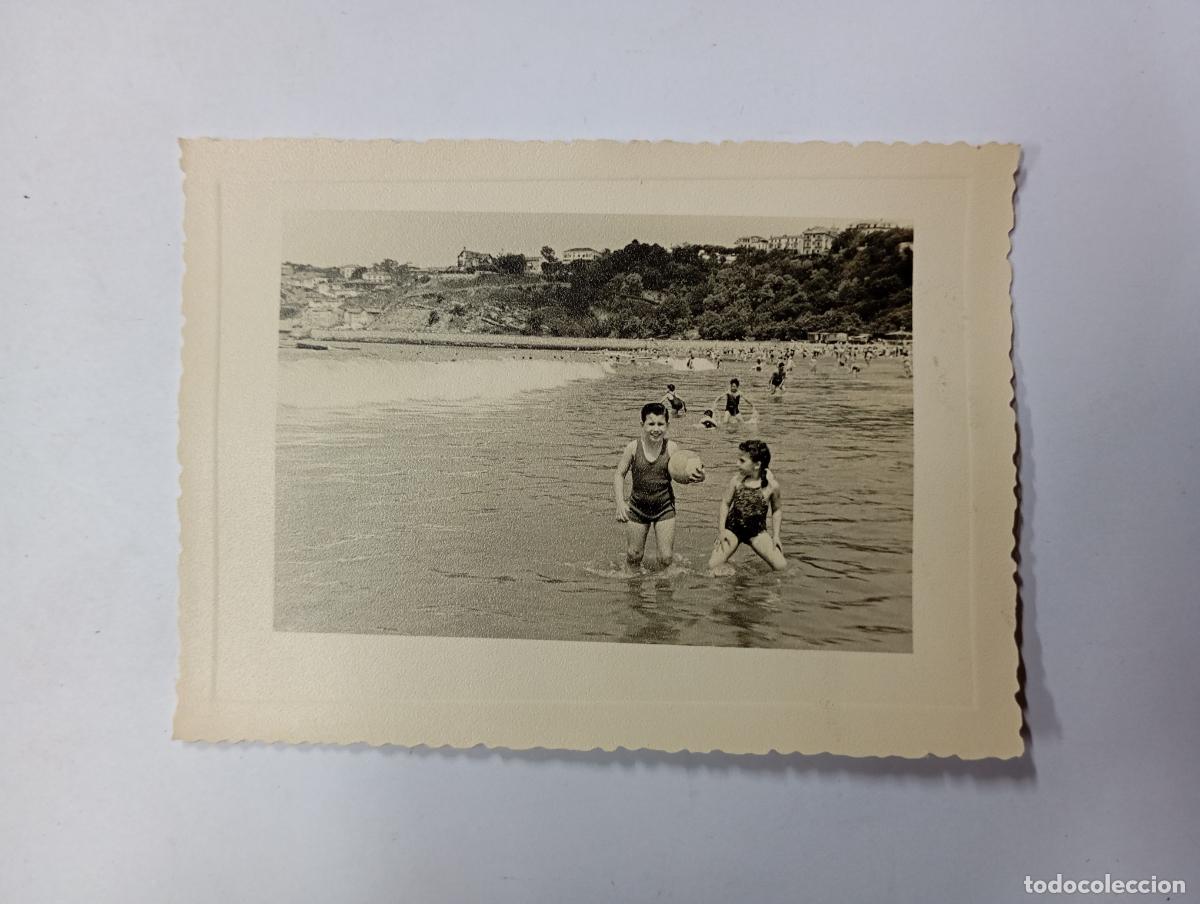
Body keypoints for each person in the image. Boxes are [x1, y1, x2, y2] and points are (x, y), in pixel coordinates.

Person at [614, 403, 691, 569]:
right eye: (651, 424)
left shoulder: (671, 448)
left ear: (667, 425)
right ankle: (634, 584)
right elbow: (619, 474)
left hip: (664, 508)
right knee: (634, 555)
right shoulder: (633, 447)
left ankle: (663, 585)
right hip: (637, 508)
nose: (656, 429)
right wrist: (620, 502)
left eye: (660, 424)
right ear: (642, 424)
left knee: (666, 558)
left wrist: (693, 476)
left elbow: (681, 473)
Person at [708, 439, 787, 572]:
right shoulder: (736, 481)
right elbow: (725, 503)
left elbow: (777, 510)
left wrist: (776, 536)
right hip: (733, 529)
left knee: (781, 566)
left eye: (742, 461)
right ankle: (733, 572)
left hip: (757, 532)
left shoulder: (771, 486)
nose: (737, 463)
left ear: (757, 465)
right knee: (713, 565)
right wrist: (721, 531)